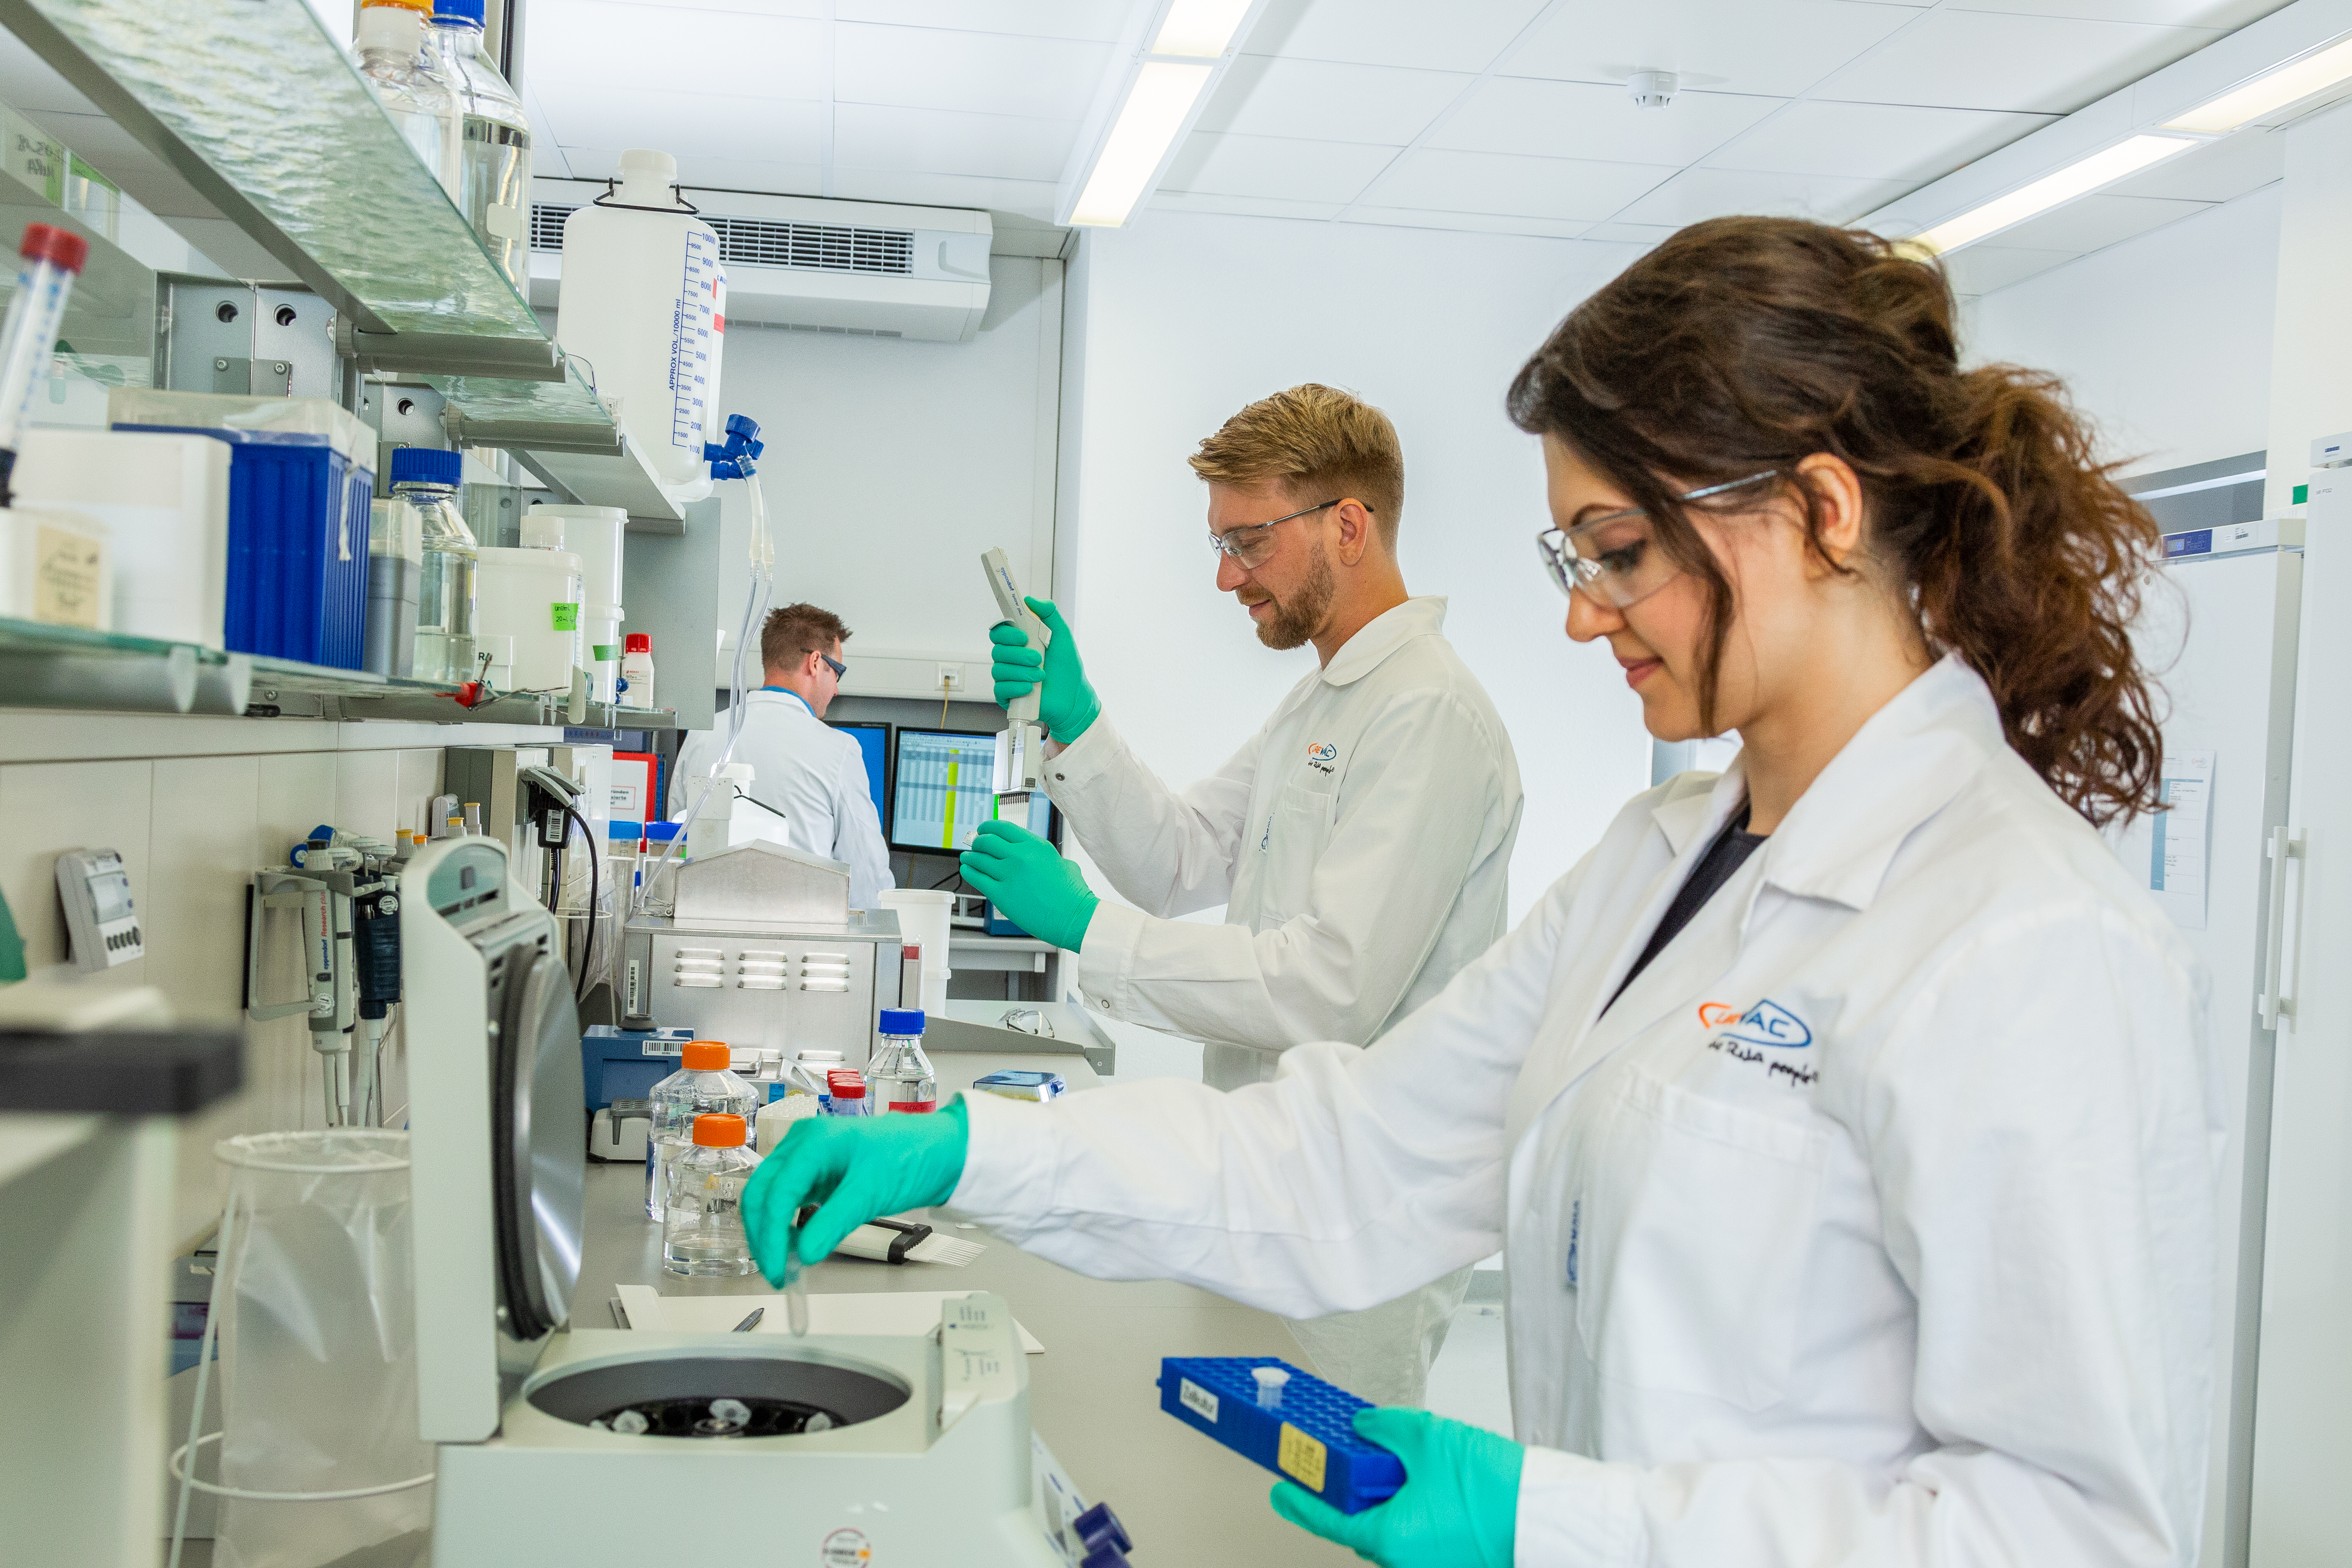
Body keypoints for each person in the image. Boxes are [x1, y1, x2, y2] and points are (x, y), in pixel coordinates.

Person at [744, 217, 2220, 1568]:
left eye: (1618, 552)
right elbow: (1346, 1159)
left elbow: (2069, 1530)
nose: (1579, 612)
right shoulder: (1658, 868)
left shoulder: (2024, 938)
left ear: (1821, 510)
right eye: (1568, 553)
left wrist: (1549, 1521)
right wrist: (972, 1157)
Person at [956, 383, 1523, 1407]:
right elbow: (1177, 857)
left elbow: (1324, 986)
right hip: (1267, 1175)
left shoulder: (1428, 716)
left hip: (1361, 1214)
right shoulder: (1318, 701)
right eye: (1218, 544)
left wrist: (1089, 927)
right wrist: (1072, 721)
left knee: (1311, 1514)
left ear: (1347, 525)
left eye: (1248, 541)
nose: (1226, 576)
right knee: (1229, 1484)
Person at [670, 602, 892, 909]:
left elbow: (670, 847)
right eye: (837, 672)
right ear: (816, 663)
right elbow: (868, 880)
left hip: (700, 937)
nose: (837, 689)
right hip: (796, 944)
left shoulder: (702, 735)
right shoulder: (839, 751)